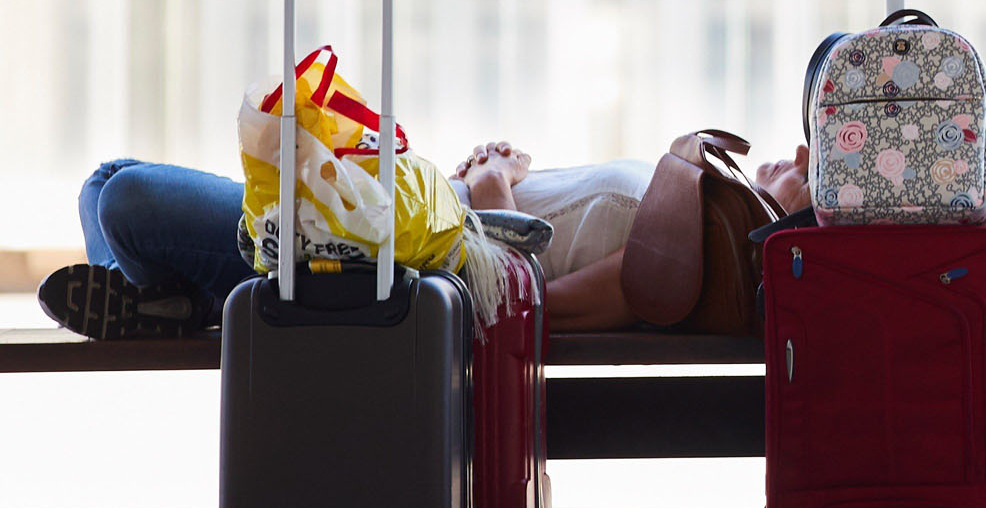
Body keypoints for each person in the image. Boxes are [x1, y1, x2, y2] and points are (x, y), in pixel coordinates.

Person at [42, 140, 720, 338]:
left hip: (362, 256)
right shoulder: (685, 200)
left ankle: (165, 300)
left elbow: (526, 299)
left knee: (123, 197)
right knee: (102, 184)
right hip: (378, 215)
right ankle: (170, 303)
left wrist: (491, 184)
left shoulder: (680, 262)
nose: (773, 159)